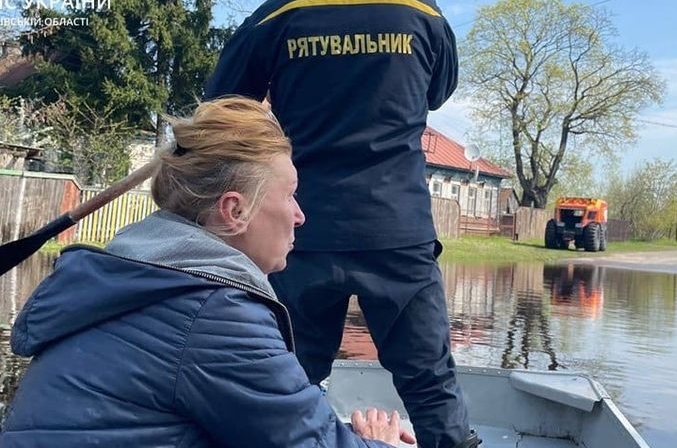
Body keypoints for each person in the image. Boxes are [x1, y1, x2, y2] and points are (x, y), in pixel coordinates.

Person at [204, 0, 476, 448]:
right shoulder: (423, 14)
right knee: (429, 382)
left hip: (301, 231)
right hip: (396, 234)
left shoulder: (280, 14)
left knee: (288, 379)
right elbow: (440, 91)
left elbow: (222, 106)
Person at [0, 96, 415, 448]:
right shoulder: (213, 311)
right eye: (289, 195)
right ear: (234, 211)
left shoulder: (133, 277)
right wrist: (379, 441)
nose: (300, 215)